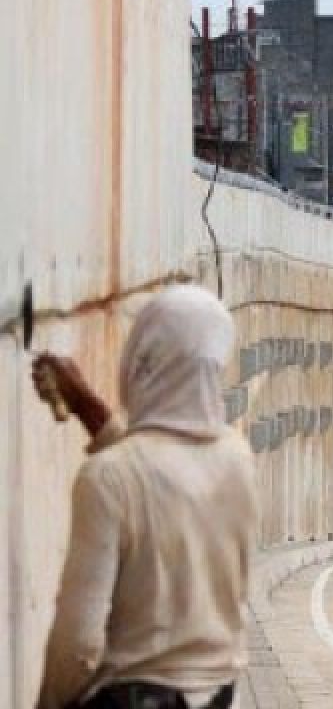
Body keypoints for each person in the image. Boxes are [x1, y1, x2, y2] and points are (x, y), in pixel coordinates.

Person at [32, 286, 256, 709]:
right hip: (218, 696)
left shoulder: (108, 479)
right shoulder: (237, 459)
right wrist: (89, 410)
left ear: (140, 361)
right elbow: (168, 477)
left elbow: (78, 644)